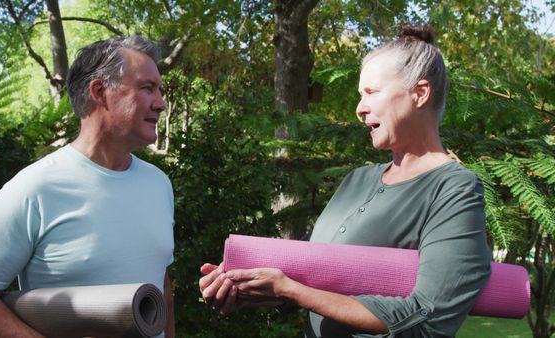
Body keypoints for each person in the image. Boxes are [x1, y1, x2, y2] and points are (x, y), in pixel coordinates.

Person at [199, 24, 491, 337]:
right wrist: (248, 288)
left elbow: (428, 319)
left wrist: (290, 290)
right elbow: (313, 280)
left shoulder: (454, 189)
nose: (359, 108)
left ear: (419, 93)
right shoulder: (357, 180)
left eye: (372, 92)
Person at [0, 35, 175, 338]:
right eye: (147, 88)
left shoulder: (159, 184)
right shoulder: (33, 189)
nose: (160, 103)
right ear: (100, 92)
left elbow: (160, 283)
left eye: (159, 90)